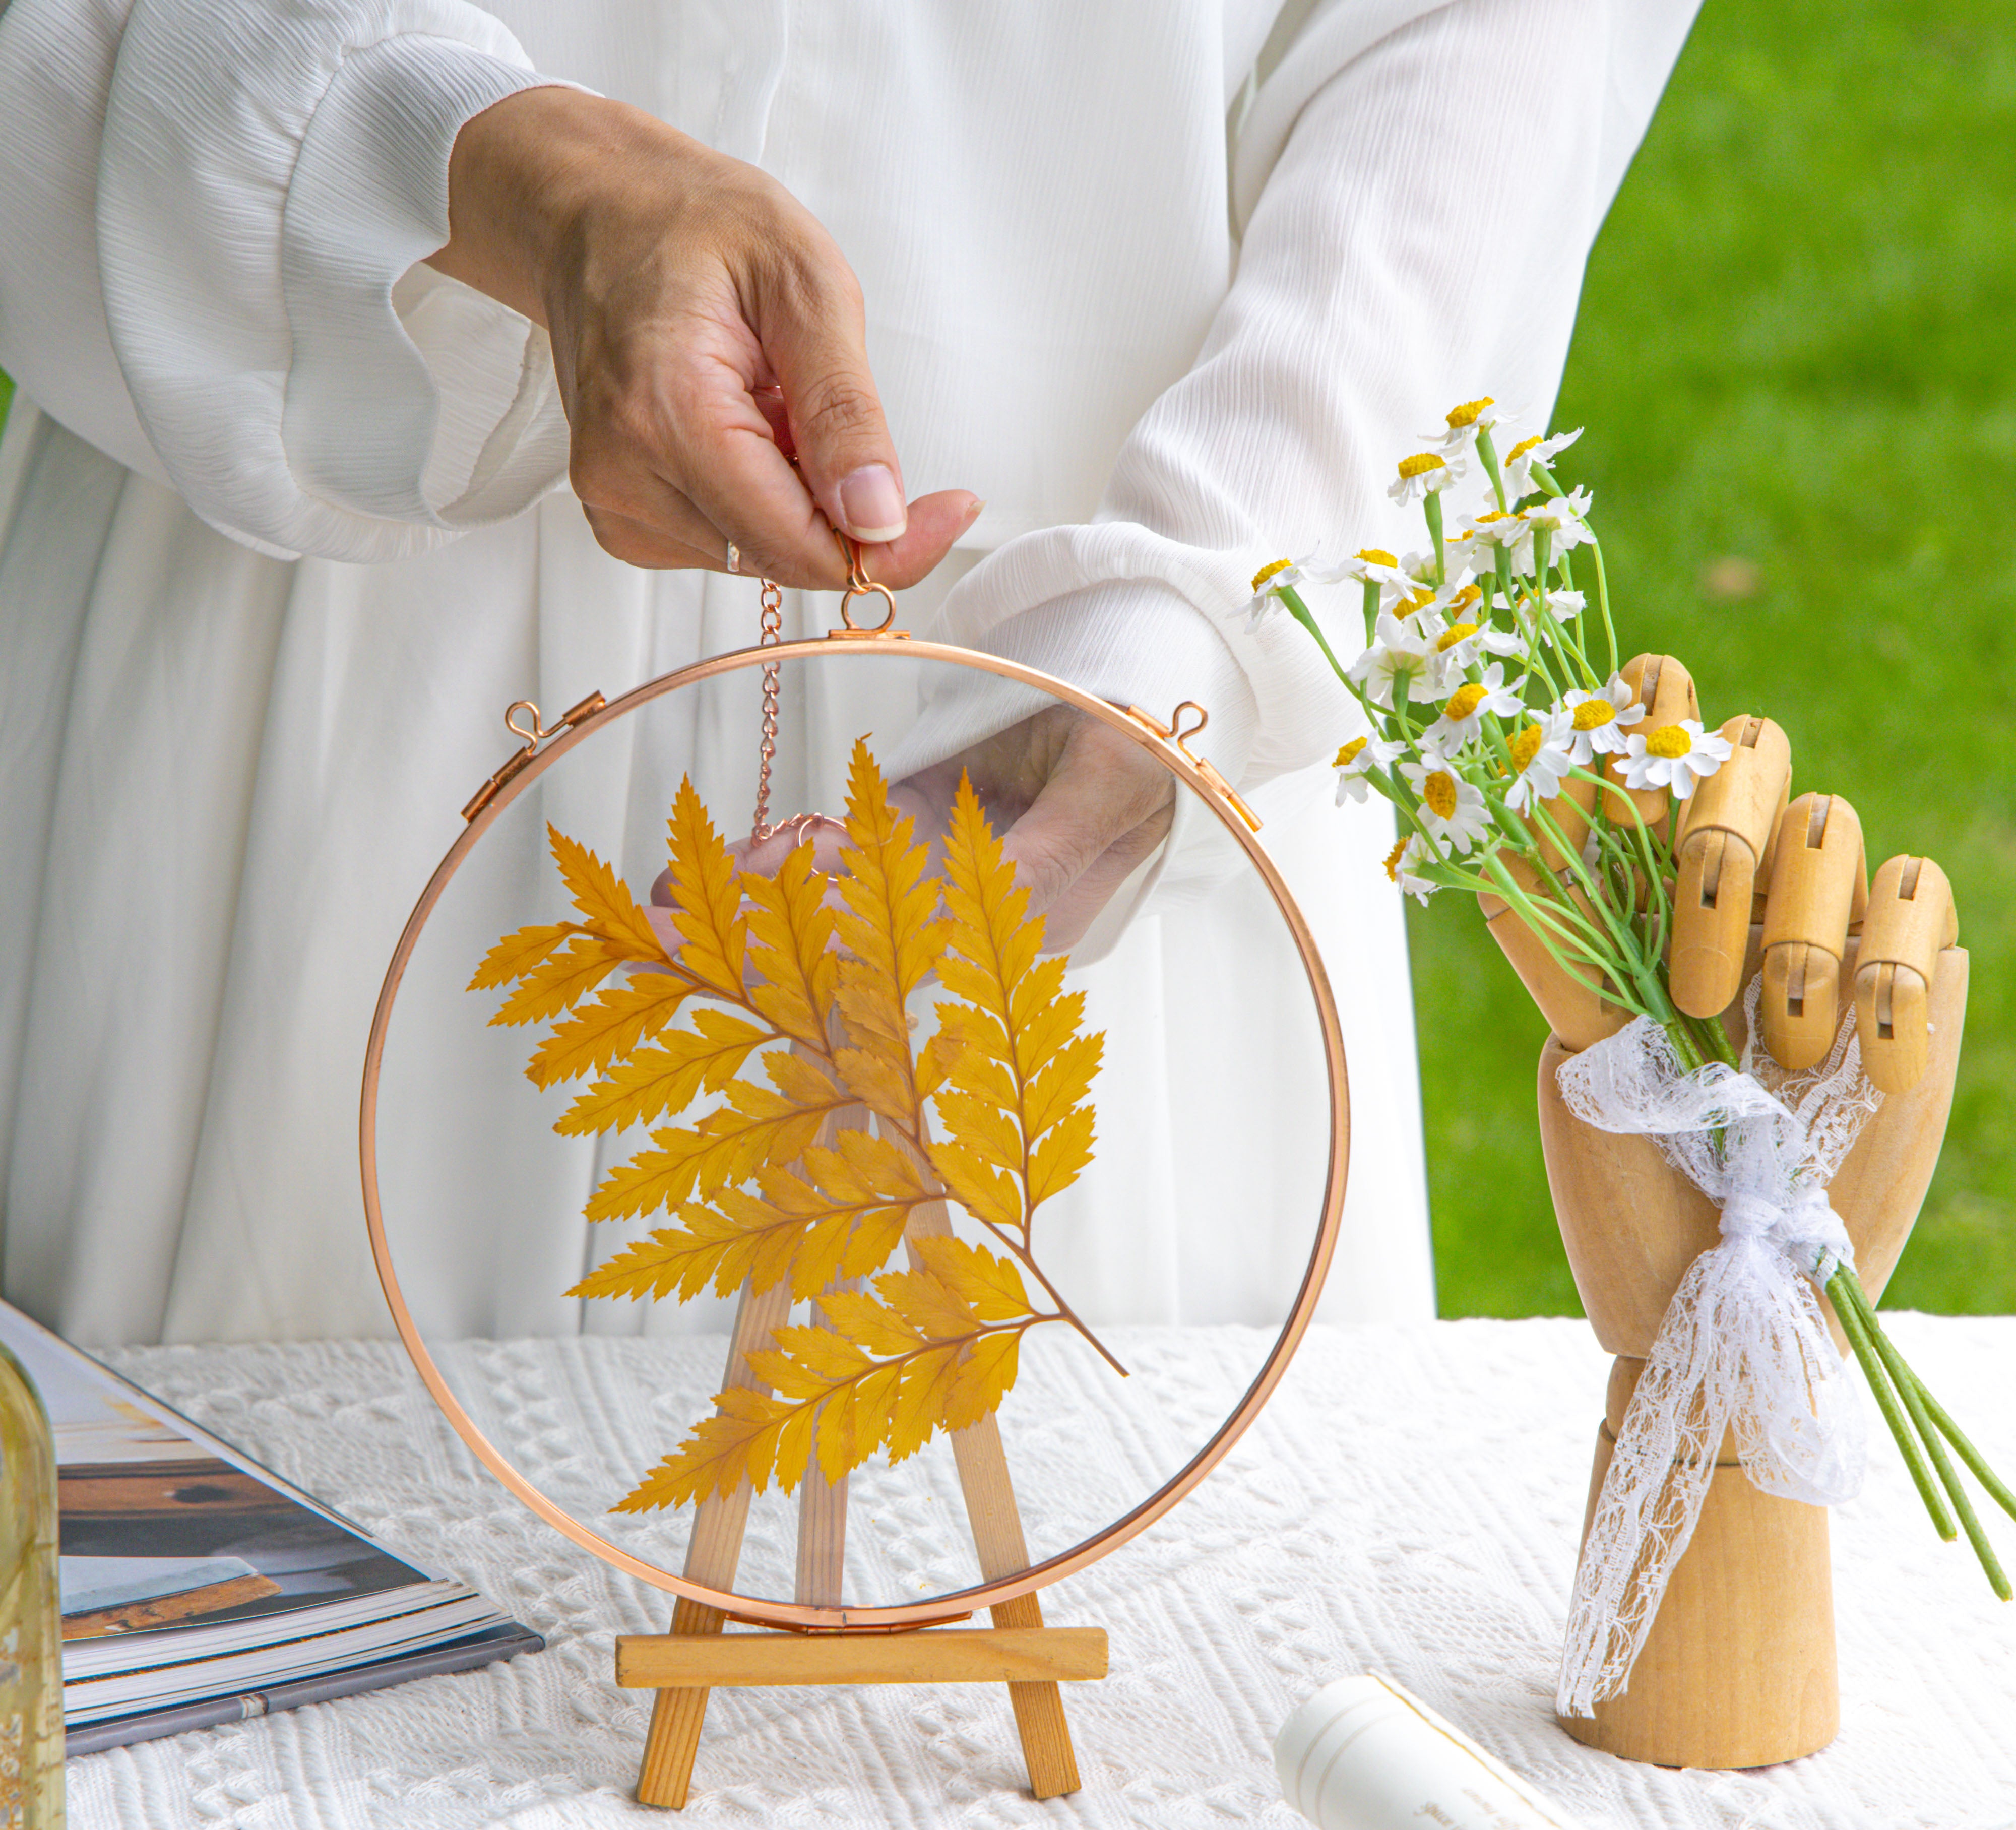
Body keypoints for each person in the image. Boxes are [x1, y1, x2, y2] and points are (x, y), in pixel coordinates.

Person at [0, 1, 1698, 1353]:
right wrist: (484, 166)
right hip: (331, 486)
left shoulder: (1175, 646)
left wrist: (1210, 594)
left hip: (1120, 708)